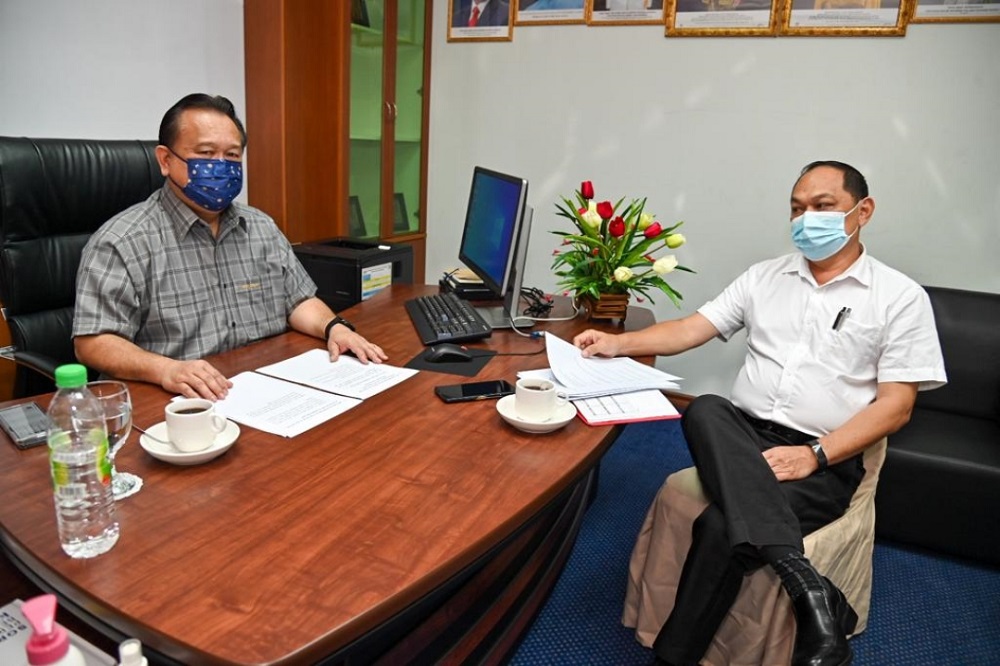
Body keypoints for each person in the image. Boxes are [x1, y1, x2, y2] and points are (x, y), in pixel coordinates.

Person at [574, 161, 946, 666]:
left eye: (822, 206)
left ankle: (674, 657)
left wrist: (814, 455)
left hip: (826, 454)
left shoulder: (900, 298)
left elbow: (897, 406)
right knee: (705, 408)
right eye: (797, 208)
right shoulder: (765, 277)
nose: (805, 218)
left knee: (721, 529)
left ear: (864, 211)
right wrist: (619, 343)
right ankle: (812, 591)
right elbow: (690, 329)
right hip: (741, 437)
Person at [73, 93, 387, 401]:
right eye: (206, 153)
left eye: (233, 156)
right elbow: (93, 341)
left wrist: (335, 327)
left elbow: (297, 301)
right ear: (165, 160)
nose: (221, 166)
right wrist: (166, 369)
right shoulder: (122, 241)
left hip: (270, 389)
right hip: (178, 403)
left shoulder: (261, 226)